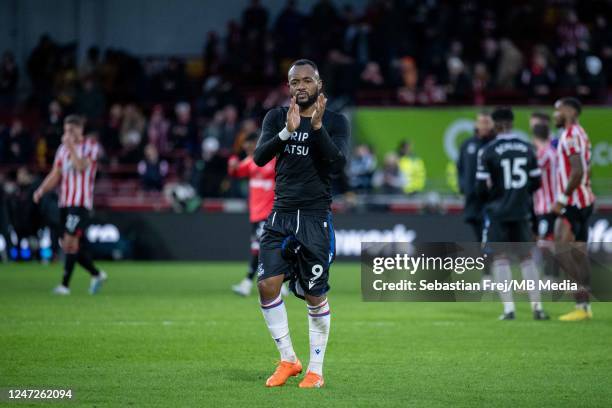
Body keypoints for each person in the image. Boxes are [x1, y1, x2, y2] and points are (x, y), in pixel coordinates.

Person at [253, 59, 349, 388]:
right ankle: (289, 360)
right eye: (295, 82)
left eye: (307, 80)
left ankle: (316, 370)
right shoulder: (277, 117)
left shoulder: (336, 122)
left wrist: (318, 129)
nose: (301, 86)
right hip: (281, 214)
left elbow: (337, 164)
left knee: (314, 295)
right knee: (266, 285)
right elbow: (260, 157)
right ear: (289, 86)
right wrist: (286, 132)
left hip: (314, 218)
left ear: (319, 84)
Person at [476, 107, 548, 320]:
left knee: (500, 258)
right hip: (521, 211)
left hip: (498, 211)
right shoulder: (527, 148)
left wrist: (496, 193)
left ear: (496, 125)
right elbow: (536, 182)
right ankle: (537, 308)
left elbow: (480, 189)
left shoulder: (488, 151)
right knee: (526, 257)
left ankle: (509, 309)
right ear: (512, 123)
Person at [33, 115, 107, 295]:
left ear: (80, 129)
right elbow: (56, 173)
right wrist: (41, 189)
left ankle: (64, 286)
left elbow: (81, 166)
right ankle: (96, 274)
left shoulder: (91, 147)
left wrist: (72, 147)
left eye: (71, 131)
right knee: (68, 245)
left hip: (80, 202)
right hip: (64, 202)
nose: (67, 135)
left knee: (70, 242)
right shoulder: (62, 150)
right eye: (65, 131)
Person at [552, 98, 596, 321]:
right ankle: (583, 304)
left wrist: (562, 198)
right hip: (581, 200)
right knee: (577, 252)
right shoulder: (579, 133)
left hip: (574, 202)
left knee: (562, 249)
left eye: (557, 110)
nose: (554, 115)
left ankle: (582, 303)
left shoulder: (571, 135)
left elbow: (577, 171)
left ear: (568, 111)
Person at [228, 132, 276, 296]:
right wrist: (232, 163)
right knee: (266, 249)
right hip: (255, 214)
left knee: (259, 248)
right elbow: (235, 172)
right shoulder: (250, 162)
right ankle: (280, 279)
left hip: (268, 213)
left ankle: (247, 283)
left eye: (250, 144)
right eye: (246, 146)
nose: (248, 148)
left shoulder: (273, 160)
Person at [457, 111, 494, 242]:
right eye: (481, 122)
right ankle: (485, 257)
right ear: (476, 124)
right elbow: (460, 168)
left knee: (490, 229)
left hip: (491, 198)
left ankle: (492, 257)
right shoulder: (467, 145)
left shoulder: (495, 145)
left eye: (487, 123)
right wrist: (463, 188)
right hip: (472, 198)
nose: (484, 126)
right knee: (477, 228)